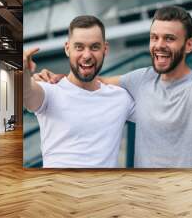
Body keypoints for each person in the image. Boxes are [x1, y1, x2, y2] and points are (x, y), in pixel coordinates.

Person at [35, 6, 192, 168]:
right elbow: (95, 80)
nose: (159, 45)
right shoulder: (141, 79)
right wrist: (58, 78)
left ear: (189, 45)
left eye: (169, 38)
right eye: (154, 37)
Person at [23, 15, 134, 168]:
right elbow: (27, 94)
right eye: (79, 47)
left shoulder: (121, 97)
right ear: (67, 48)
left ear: (105, 49)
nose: (87, 55)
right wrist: (21, 72)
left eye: (94, 47)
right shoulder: (50, 91)